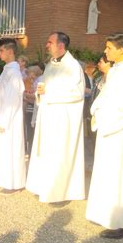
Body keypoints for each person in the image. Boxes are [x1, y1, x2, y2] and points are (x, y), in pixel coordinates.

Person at [86, 33, 123, 239]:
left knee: (121, 175)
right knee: (108, 174)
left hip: (120, 131)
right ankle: (108, 214)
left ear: (121, 49)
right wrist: (97, 112)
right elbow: (105, 98)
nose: (105, 51)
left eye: (109, 47)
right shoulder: (117, 70)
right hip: (108, 129)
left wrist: (110, 121)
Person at [26, 32, 85, 203]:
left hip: (62, 119)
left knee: (59, 154)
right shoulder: (51, 65)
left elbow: (77, 93)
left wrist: (48, 92)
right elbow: (44, 87)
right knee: (44, 152)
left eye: (49, 42)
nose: (46, 45)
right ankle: (43, 186)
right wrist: (40, 92)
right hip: (47, 116)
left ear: (61, 46)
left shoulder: (73, 67)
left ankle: (60, 193)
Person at [0, 39, 26, 194]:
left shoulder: (14, 73)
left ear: (10, 51)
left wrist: (4, 121)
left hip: (10, 120)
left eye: (1, 51)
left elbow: (11, 99)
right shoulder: (7, 70)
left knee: (11, 148)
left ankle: (14, 183)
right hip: (3, 116)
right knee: (4, 149)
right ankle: (4, 178)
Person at [23, 65, 43, 156]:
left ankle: (32, 151)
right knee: (29, 130)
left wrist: (26, 96)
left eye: (31, 74)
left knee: (32, 131)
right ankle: (30, 150)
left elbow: (36, 96)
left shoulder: (40, 81)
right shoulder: (33, 81)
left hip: (34, 108)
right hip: (30, 106)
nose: (30, 77)